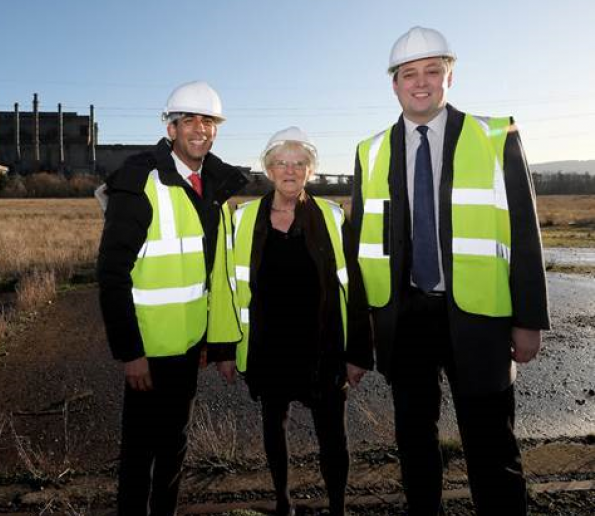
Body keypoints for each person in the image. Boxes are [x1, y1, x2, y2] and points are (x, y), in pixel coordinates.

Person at [350, 26, 550, 516]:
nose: (421, 82)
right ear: (394, 84)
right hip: (406, 319)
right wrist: (365, 332)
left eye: (432, 71)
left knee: (492, 449)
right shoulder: (369, 151)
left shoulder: (495, 133)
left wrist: (528, 319)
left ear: (449, 76)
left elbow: (523, 231)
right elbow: (361, 248)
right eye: (409, 74)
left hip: (479, 317)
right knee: (416, 448)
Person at [96, 80, 248, 516]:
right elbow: (111, 273)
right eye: (189, 121)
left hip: (187, 350)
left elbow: (207, 276)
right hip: (148, 352)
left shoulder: (212, 187)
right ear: (171, 127)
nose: (199, 129)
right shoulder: (140, 181)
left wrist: (208, 341)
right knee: (139, 454)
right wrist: (131, 353)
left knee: (174, 447)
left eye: (208, 121)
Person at [222, 127, 373, 516]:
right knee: (273, 426)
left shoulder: (332, 216)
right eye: (281, 163)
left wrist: (358, 352)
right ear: (268, 169)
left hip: (322, 346)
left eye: (299, 163)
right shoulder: (243, 219)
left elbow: (353, 287)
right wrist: (225, 348)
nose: (290, 170)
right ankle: (283, 502)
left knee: (333, 436)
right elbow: (225, 287)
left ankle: (337, 507)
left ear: (311, 171)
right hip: (268, 346)